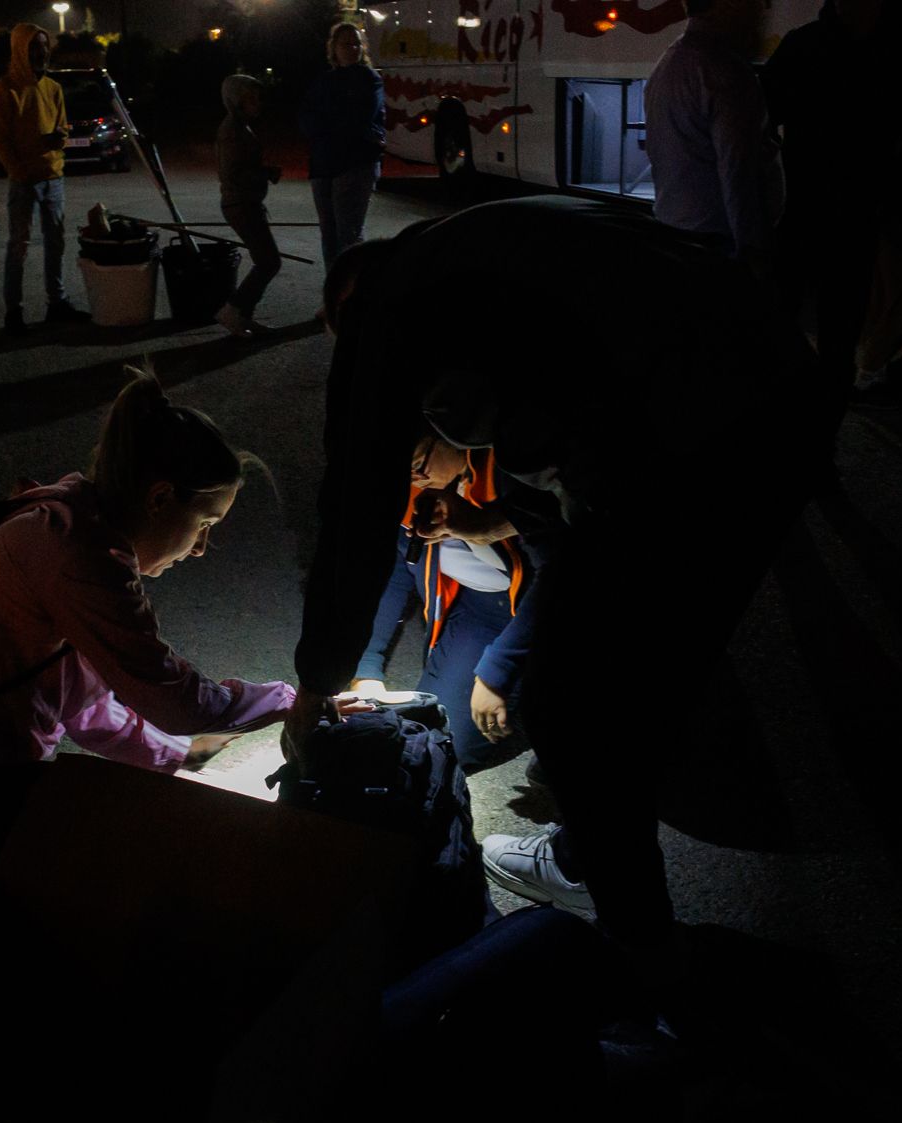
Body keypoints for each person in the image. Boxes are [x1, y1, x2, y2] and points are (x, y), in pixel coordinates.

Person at [284, 197, 831, 950]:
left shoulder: (386, 310)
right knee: (652, 660)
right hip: (786, 388)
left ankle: (643, 967)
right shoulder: (481, 247)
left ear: (352, 310)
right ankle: (595, 839)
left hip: (694, 424)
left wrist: (318, 682)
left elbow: (355, 506)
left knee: (568, 705)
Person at [0, 370, 295, 848]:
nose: (202, 547)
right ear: (160, 497)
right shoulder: (79, 555)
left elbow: (84, 702)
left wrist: (182, 753)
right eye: (205, 522)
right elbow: (173, 698)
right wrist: (287, 699)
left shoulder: (69, 517)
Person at [350, 435, 556, 774]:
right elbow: (399, 566)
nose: (416, 480)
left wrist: (495, 672)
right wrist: (367, 665)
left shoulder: (513, 473)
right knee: (436, 742)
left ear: (453, 435)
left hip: (552, 611)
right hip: (479, 611)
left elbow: (559, 575)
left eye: (418, 464)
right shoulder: (419, 489)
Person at [762, 0, 902, 398]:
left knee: (787, 325)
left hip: (803, 203)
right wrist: (892, 186)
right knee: (839, 334)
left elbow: (763, 121)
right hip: (859, 210)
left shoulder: (803, 44)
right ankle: (819, 435)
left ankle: (782, 427)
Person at [644, 0, 784, 268]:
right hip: (720, 245)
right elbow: (739, 172)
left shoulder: (668, 64)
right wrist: (753, 251)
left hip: (675, 230)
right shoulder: (725, 70)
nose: (762, 10)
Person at [0, 23, 91, 337]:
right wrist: (19, 171)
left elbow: (62, 127)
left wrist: (59, 139)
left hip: (53, 177)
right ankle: (13, 312)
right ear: (20, 49)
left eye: (45, 46)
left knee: (55, 243)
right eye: (35, 46)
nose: (41, 52)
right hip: (24, 181)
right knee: (19, 246)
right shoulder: (4, 90)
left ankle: (56, 303)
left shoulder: (52, 88)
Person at [299, 22, 386, 271]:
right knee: (329, 234)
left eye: (356, 43)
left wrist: (325, 125)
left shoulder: (369, 79)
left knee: (348, 234)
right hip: (324, 164)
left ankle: (353, 294)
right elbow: (306, 116)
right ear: (333, 48)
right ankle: (334, 293)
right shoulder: (324, 81)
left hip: (354, 164)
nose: (352, 48)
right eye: (346, 43)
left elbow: (358, 119)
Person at [215, 74, 284, 338]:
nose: (258, 103)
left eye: (257, 97)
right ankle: (233, 310)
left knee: (265, 260)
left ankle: (243, 316)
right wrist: (265, 173)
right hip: (241, 203)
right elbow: (233, 173)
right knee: (269, 262)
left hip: (243, 202)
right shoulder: (233, 130)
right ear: (236, 100)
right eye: (251, 98)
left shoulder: (239, 127)